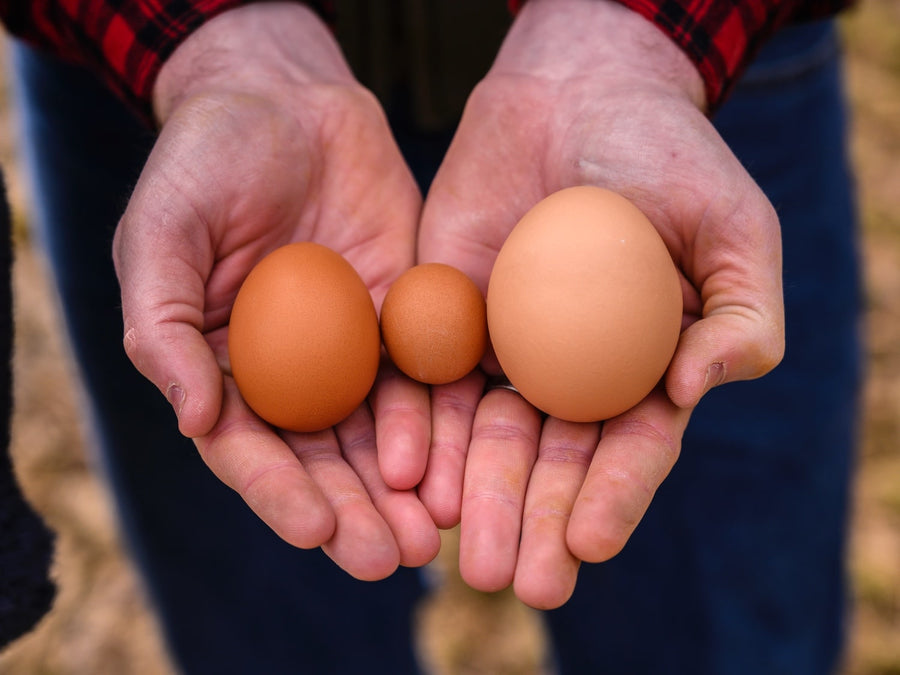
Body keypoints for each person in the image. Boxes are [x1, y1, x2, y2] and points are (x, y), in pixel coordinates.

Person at [1, 0, 861, 672]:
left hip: (686, 72)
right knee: (269, 637)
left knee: (723, 635)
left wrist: (632, 36)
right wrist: (213, 43)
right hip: (158, 79)